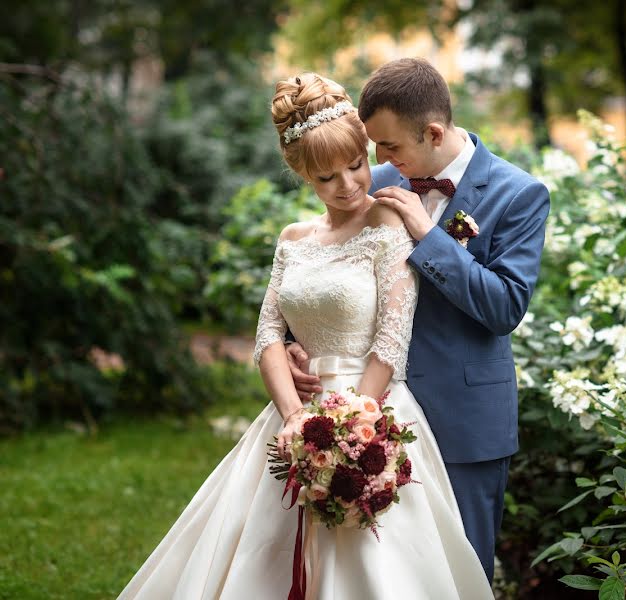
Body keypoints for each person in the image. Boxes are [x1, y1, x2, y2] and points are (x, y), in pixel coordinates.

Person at [117, 73, 493, 600]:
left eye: (356, 165)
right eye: (325, 177)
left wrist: (350, 429)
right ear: (303, 177)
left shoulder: (388, 222)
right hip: (295, 409)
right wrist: (295, 418)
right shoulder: (293, 239)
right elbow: (268, 334)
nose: (347, 185)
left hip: (373, 408)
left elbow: (391, 340)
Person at [285, 58, 551, 581]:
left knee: (460, 573)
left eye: (387, 147)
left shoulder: (518, 194)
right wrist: (298, 339)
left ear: (432, 132)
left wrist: (429, 239)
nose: (374, 160)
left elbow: (504, 307)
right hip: (369, 411)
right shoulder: (375, 179)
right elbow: (323, 261)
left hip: (463, 421)